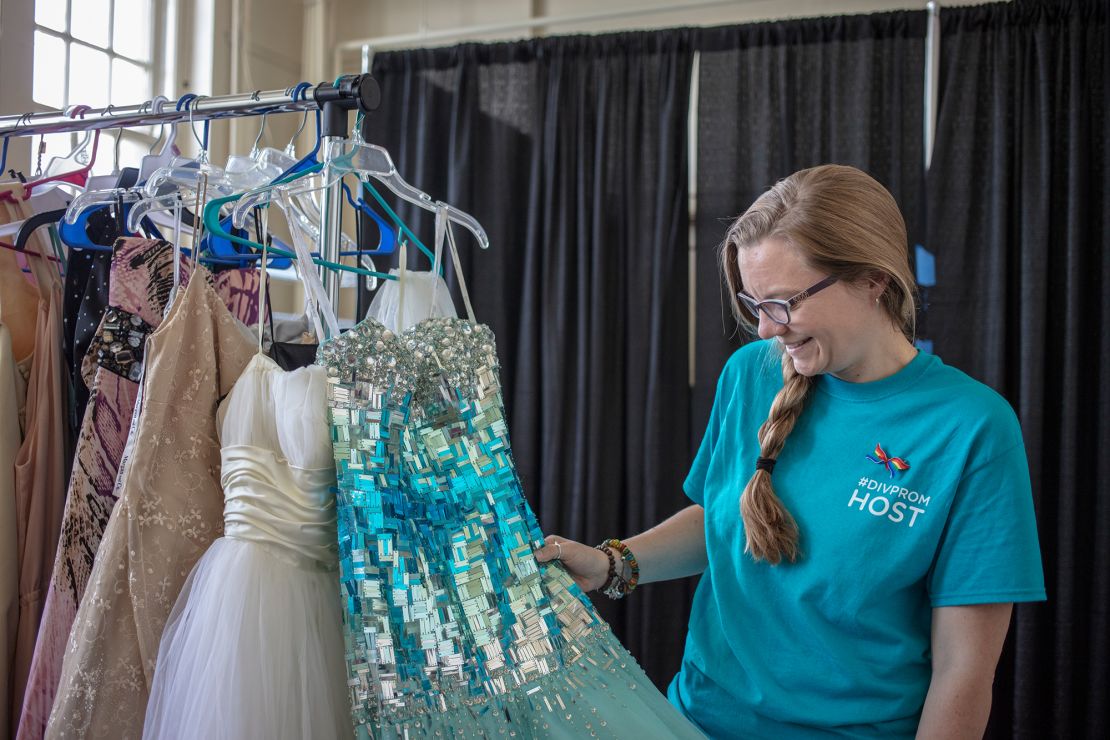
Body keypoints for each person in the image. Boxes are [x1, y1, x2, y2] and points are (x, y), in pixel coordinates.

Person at [536, 164, 1046, 739]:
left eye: (782, 303)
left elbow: (964, 672)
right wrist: (611, 563)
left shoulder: (971, 428)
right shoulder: (750, 375)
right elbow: (723, 519)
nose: (763, 328)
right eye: (753, 303)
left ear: (873, 279)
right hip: (691, 720)